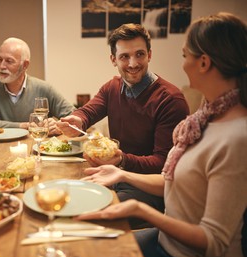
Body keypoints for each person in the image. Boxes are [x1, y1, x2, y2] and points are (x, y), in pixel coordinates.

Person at [76, 12, 247, 257]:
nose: (182, 64)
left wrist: (142, 210)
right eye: (125, 56)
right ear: (114, 59)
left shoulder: (235, 137)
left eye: (184, 55)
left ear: (203, 63)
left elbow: (214, 242)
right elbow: (173, 181)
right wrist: (121, 172)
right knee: (87, 246)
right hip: (167, 240)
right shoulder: (204, 118)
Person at [57, 23, 189, 228]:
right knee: (64, 195)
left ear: (150, 55)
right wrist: (78, 119)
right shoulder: (113, 87)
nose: (133, 63)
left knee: (84, 216)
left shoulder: (170, 100)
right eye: (124, 56)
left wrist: (121, 160)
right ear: (113, 59)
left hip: (147, 190)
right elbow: (88, 111)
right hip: (114, 175)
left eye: (139, 54)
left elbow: (164, 164)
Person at [0, 37, 75, 136]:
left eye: (9, 61)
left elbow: (75, 116)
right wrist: (22, 126)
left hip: (35, 150)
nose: (1, 66)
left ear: (25, 65)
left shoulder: (44, 88)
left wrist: (58, 125)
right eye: (0, 60)